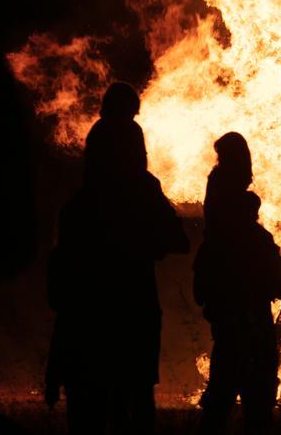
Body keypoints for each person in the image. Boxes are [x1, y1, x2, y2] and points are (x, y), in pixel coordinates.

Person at [46, 83, 189, 434]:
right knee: (136, 405)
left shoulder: (78, 207)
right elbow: (178, 240)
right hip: (132, 314)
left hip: (86, 320)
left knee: (87, 412)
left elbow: (62, 278)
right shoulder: (143, 188)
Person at [195, 134, 281, 435]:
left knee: (225, 383)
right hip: (249, 317)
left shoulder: (220, 240)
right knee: (254, 391)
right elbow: (280, 288)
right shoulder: (253, 240)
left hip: (228, 310)